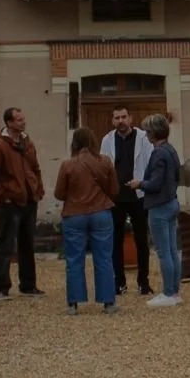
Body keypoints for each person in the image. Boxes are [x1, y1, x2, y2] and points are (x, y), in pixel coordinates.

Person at [56, 127, 119, 315]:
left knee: (74, 259)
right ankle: (108, 302)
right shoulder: (105, 162)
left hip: (74, 214)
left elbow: (59, 193)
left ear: (74, 143)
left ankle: (73, 304)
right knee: (104, 258)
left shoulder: (67, 165)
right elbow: (114, 190)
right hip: (101, 213)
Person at [0, 107, 45, 299]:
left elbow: (35, 167)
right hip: (11, 201)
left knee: (27, 243)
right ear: (9, 123)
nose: (23, 122)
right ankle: (1, 287)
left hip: (29, 199)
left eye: (23, 119)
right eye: (19, 120)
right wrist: (3, 195)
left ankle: (28, 285)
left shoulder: (28, 143)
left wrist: (38, 189)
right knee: (6, 244)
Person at [125, 114, 182, 308]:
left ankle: (168, 293)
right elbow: (177, 175)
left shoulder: (158, 153)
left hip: (159, 206)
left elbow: (156, 183)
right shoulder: (171, 149)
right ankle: (175, 291)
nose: (146, 135)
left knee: (164, 252)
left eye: (147, 131)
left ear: (153, 133)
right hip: (172, 202)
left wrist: (139, 183)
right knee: (173, 250)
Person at [99, 105, 153, 296]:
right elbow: (103, 167)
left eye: (123, 117)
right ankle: (119, 282)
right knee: (116, 240)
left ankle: (143, 282)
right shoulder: (107, 140)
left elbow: (150, 163)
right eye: (117, 118)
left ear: (130, 118)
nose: (121, 121)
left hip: (138, 196)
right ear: (113, 120)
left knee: (141, 240)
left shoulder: (143, 138)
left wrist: (144, 184)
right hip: (116, 198)